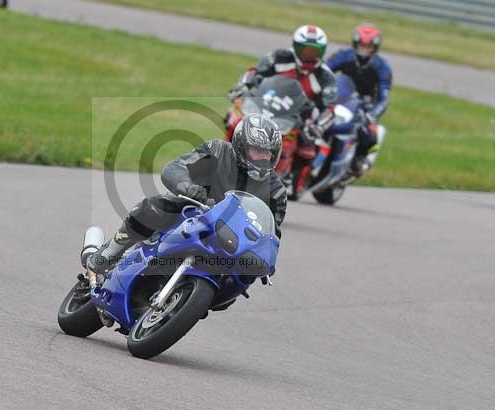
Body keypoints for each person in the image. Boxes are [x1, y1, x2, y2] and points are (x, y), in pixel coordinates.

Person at [87, 114, 287, 275]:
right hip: (193, 213)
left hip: (231, 241)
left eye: (269, 153)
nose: (264, 157)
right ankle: (110, 251)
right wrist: (188, 187)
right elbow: (174, 169)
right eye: (258, 151)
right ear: (241, 145)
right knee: (155, 207)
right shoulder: (217, 150)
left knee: (241, 279)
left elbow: (272, 234)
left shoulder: (276, 191)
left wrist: (266, 257)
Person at [325, 23, 392, 171]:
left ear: (375, 48)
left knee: (369, 136)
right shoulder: (343, 55)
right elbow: (324, 70)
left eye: (368, 46)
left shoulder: (382, 67)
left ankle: (359, 159)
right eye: (361, 45)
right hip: (341, 99)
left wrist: (373, 114)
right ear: (355, 44)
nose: (364, 49)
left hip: (365, 106)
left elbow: (384, 97)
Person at [229, 25, 337, 112]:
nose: (309, 55)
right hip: (263, 109)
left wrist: (316, 123)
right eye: (305, 51)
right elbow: (255, 72)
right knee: (236, 114)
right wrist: (242, 87)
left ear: (322, 51)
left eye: (314, 51)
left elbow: (329, 107)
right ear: (295, 47)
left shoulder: (326, 77)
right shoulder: (278, 57)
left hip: (295, 124)